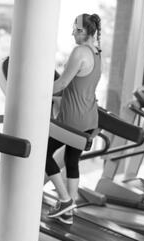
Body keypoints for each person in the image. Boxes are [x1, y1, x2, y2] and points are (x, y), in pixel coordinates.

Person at [45, 14, 102, 225]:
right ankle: (69, 213)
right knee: (71, 161)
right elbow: (77, 87)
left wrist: (36, 92)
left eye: (76, 30)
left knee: (43, 153)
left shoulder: (79, 52)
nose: (72, 33)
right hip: (89, 119)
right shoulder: (97, 54)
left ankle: (65, 199)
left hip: (73, 121)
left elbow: (61, 84)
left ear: (85, 32)